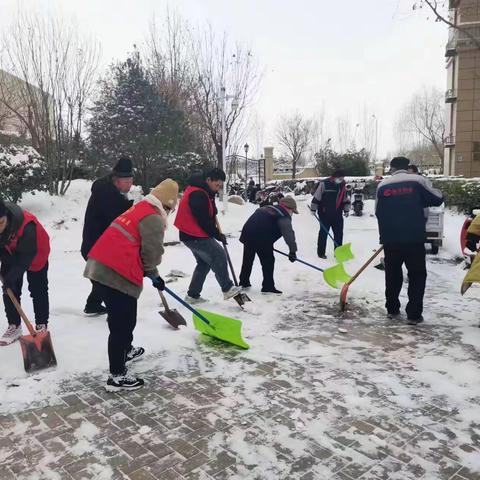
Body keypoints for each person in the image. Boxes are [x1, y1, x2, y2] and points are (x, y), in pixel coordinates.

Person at [84, 179, 178, 391]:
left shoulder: (140, 208)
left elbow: (139, 247)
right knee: (121, 323)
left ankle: (125, 350)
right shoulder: (153, 218)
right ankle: (116, 376)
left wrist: (152, 274)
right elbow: (151, 253)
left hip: (100, 265)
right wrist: (153, 272)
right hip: (114, 272)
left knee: (125, 318)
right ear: (167, 206)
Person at [376, 156, 444, 325]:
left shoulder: (383, 185)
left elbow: (378, 211)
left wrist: (385, 234)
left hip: (391, 239)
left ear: (391, 169)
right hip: (414, 238)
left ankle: (392, 309)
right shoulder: (418, 181)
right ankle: (413, 315)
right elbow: (437, 198)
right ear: (407, 167)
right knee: (417, 275)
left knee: (392, 275)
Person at [174, 168, 241, 304]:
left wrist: (212, 205)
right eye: (217, 185)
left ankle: (193, 295)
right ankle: (227, 288)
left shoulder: (202, 189)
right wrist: (217, 235)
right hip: (194, 234)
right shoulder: (197, 193)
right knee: (219, 254)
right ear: (209, 179)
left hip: (190, 234)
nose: (218, 188)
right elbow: (204, 220)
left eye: (220, 185)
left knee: (204, 263)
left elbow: (207, 210)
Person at [81, 157, 134, 315]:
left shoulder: (110, 191)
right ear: (116, 180)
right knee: (106, 279)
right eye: (127, 182)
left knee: (101, 278)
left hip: (98, 245)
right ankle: (114, 310)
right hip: (96, 246)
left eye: (131, 181)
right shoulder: (107, 194)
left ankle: (93, 304)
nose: (130, 185)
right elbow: (117, 218)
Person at [0, 200, 50, 345]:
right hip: (10, 251)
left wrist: (10, 277)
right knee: (9, 289)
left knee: (37, 289)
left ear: (6, 217)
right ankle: (14, 325)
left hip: (35, 252)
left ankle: (41, 325)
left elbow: (25, 259)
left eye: (0, 223)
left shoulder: (27, 226)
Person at [239, 196, 298, 294]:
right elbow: (289, 235)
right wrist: (293, 251)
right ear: (289, 208)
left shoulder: (268, 208)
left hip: (247, 234)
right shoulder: (283, 215)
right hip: (261, 237)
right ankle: (268, 286)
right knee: (268, 261)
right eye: (293, 211)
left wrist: (267, 242)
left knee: (248, 259)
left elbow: (262, 223)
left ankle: (243, 282)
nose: (292, 214)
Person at [311, 169, 350, 259]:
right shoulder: (324, 184)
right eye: (340, 178)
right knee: (323, 233)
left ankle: (338, 253)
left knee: (339, 234)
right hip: (325, 214)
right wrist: (313, 209)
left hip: (337, 214)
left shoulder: (342, 185)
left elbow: (345, 199)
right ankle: (321, 253)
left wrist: (346, 210)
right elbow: (317, 197)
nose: (341, 179)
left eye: (342, 178)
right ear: (334, 177)